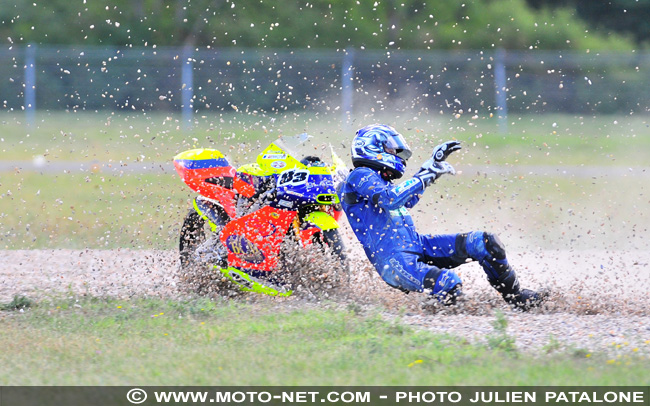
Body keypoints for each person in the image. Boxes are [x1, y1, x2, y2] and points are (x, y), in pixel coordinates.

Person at [338, 124, 547, 309]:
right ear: (371, 147)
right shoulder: (360, 175)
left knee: (485, 242)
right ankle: (446, 325)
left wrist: (431, 168)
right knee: (448, 282)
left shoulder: (379, 180)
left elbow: (406, 200)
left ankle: (517, 297)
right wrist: (424, 175)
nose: (397, 154)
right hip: (395, 262)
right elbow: (390, 199)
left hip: (417, 245)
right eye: (391, 149)